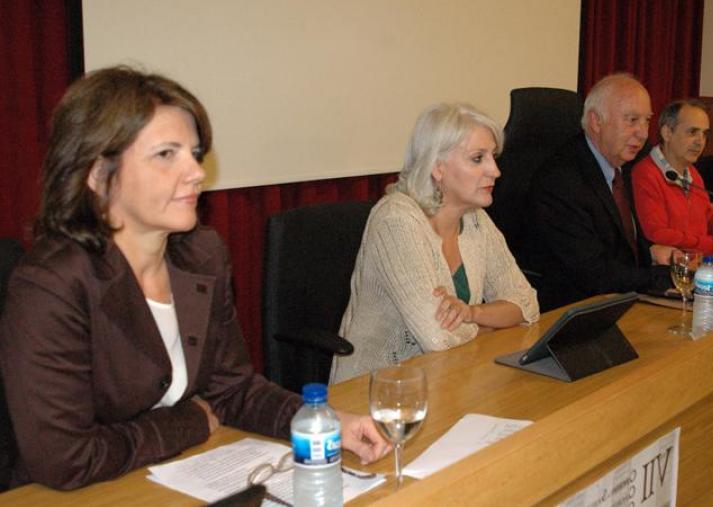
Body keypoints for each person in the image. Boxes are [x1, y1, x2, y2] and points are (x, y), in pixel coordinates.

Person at [0, 67, 389, 491]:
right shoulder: (52, 283)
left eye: (194, 151)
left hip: (169, 479)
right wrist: (187, 422)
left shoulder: (202, 254)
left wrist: (327, 423)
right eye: (166, 154)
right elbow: (65, 459)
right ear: (97, 175)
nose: (196, 172)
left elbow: (234, 390)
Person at [331, 103, 539, 383]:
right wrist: (490, 322)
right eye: (478, 158)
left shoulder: (476, 219)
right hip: (376, 391)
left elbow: (527, 305)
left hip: (452, 378)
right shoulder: (396, 220)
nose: (496, 171)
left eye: (493, 156)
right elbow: (437, 338)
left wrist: (472, 312)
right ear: (438, 168)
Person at [524, 73, 713, 311]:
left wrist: (654, 253)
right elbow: (596, 273)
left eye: (646, 121)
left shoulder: (626, 167)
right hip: (576, 310)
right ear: (596, 122)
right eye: (632, 120)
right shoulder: (561, 182)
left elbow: (621, 243)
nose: (642, 133)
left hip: (619, 298)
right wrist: (689, 277)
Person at [632, 99, 713, 255]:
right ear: (667, 133)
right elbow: (658, 234)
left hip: (701, 260)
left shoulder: (692, 172)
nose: (700, 142)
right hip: (671, 269)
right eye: (692, 132)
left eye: (704, 134)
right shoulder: (646, 173)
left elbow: (708, 215)